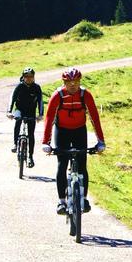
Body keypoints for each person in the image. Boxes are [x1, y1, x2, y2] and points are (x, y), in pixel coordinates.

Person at [42, 66, 105, 215]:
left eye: (76, 81)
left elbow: (95, 118)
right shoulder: (57, 95)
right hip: (62, 131)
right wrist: (46, 142)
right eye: (69, 81)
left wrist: (101, 141)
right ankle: (61, 201)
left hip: (79, 131)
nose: (72, 84)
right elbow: (49, 118)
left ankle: (83, 199)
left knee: (82, 165)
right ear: (64, 82)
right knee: (62, 164)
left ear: (79, 81)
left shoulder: (85, 95)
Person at [7, 67, 44, 168]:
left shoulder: (37, 88)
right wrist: (9, 112)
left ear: (33, 77)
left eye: (31, 76)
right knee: (18, 120)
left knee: (31, 134)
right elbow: (12, 99)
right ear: (23, 77)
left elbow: (40, 101)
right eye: (26, 77)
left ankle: (30, 157)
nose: (28, 78)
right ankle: (15, 144)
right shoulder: (19, 87)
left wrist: (40, 115)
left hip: (31, 112)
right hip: (20, 110)